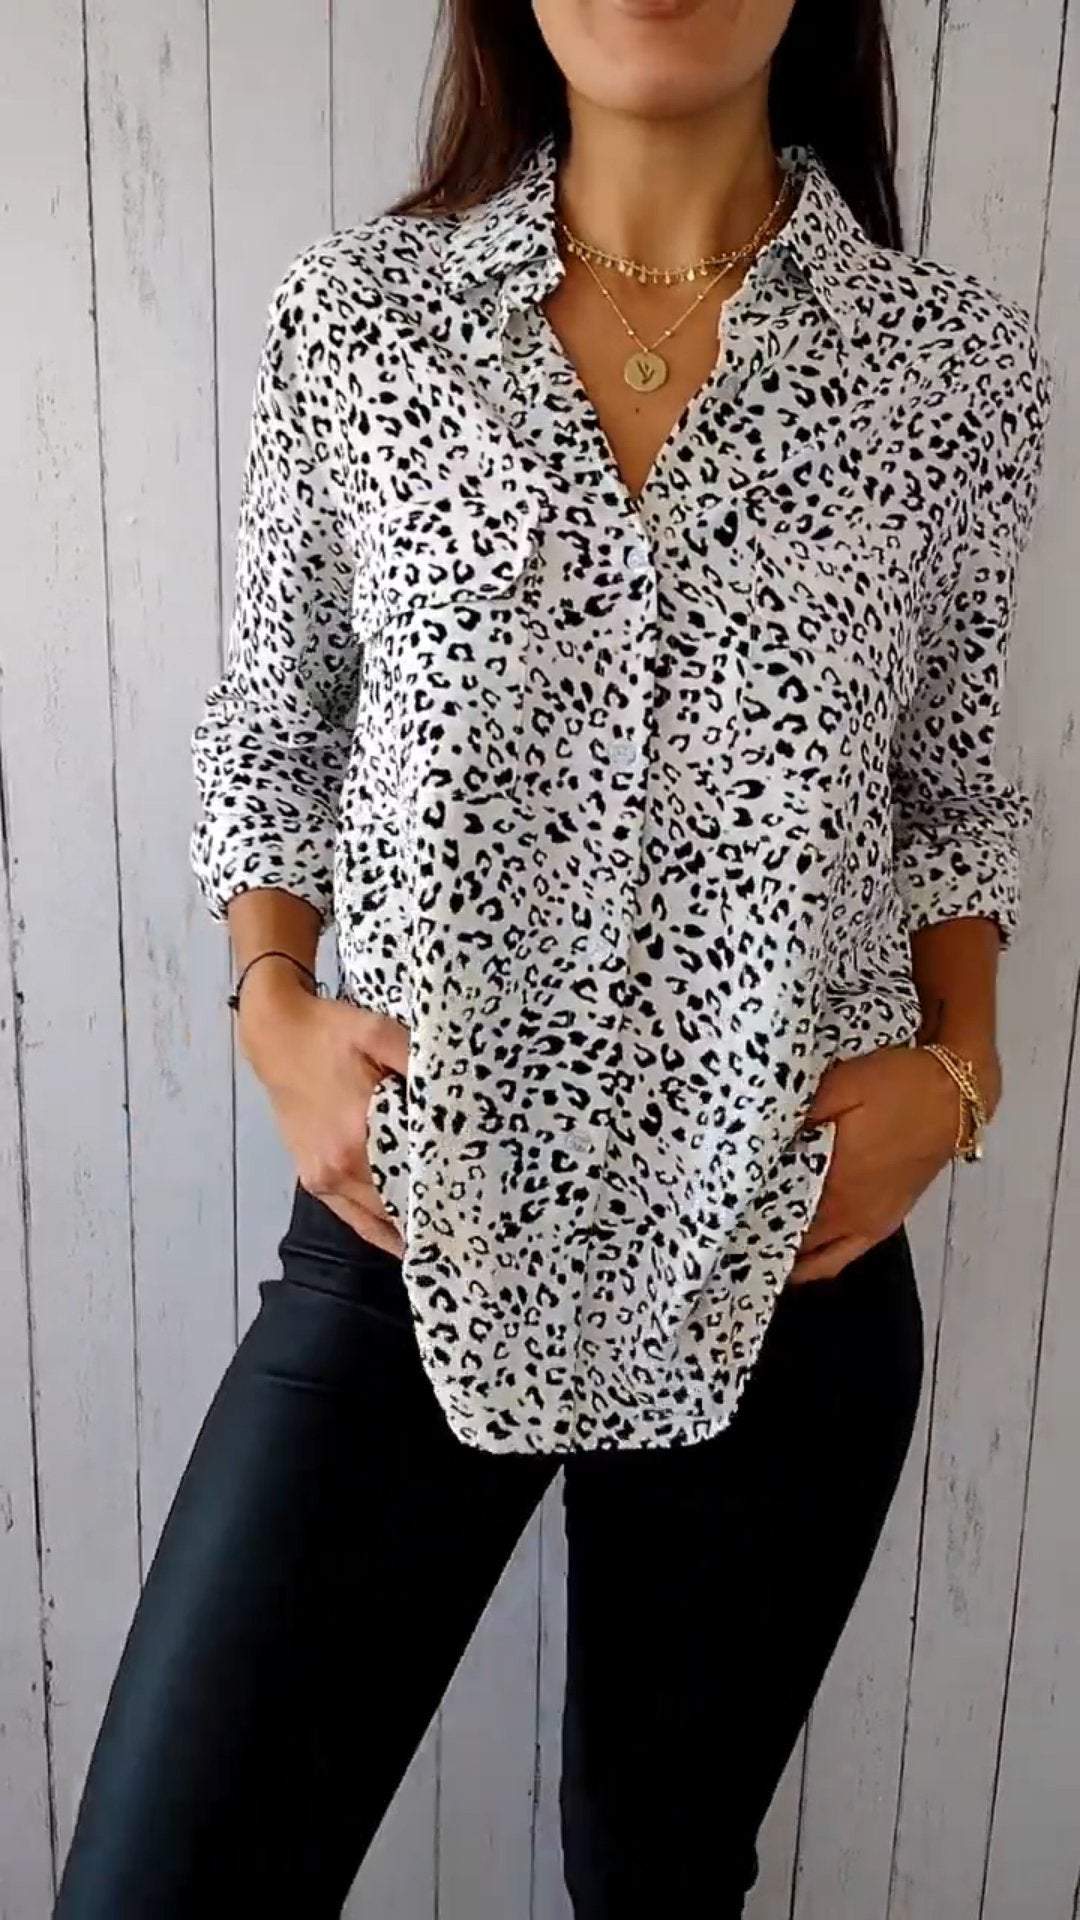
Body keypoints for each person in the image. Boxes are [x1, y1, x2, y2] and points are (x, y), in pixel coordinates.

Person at [54, 0, 1053, 1914]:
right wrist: (274, 1013)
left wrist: (960, 1070)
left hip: (786, 1259)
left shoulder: (950, 369)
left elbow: (951, 786)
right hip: (411, 1234)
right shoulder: (364, 322)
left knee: (655, 1878)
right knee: (162, 1879)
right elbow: (274, 727)